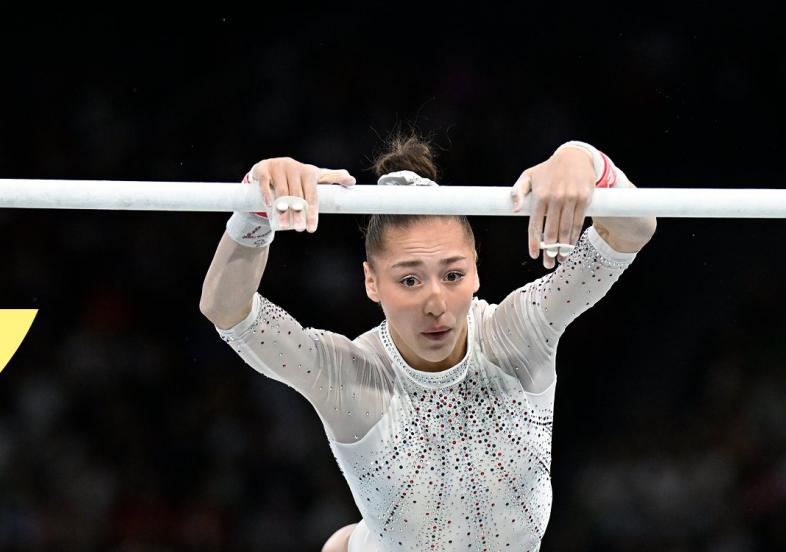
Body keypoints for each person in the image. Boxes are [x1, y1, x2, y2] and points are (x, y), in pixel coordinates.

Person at [199, 131, 657, 551]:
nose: (435, 302)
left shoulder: (520, 333)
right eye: (410, 280)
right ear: (372, 282)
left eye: (453, 274)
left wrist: (586, 161)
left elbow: (633, 229)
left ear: (476, 270)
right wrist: (254, 208)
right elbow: (228, 310)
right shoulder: (349, 376)